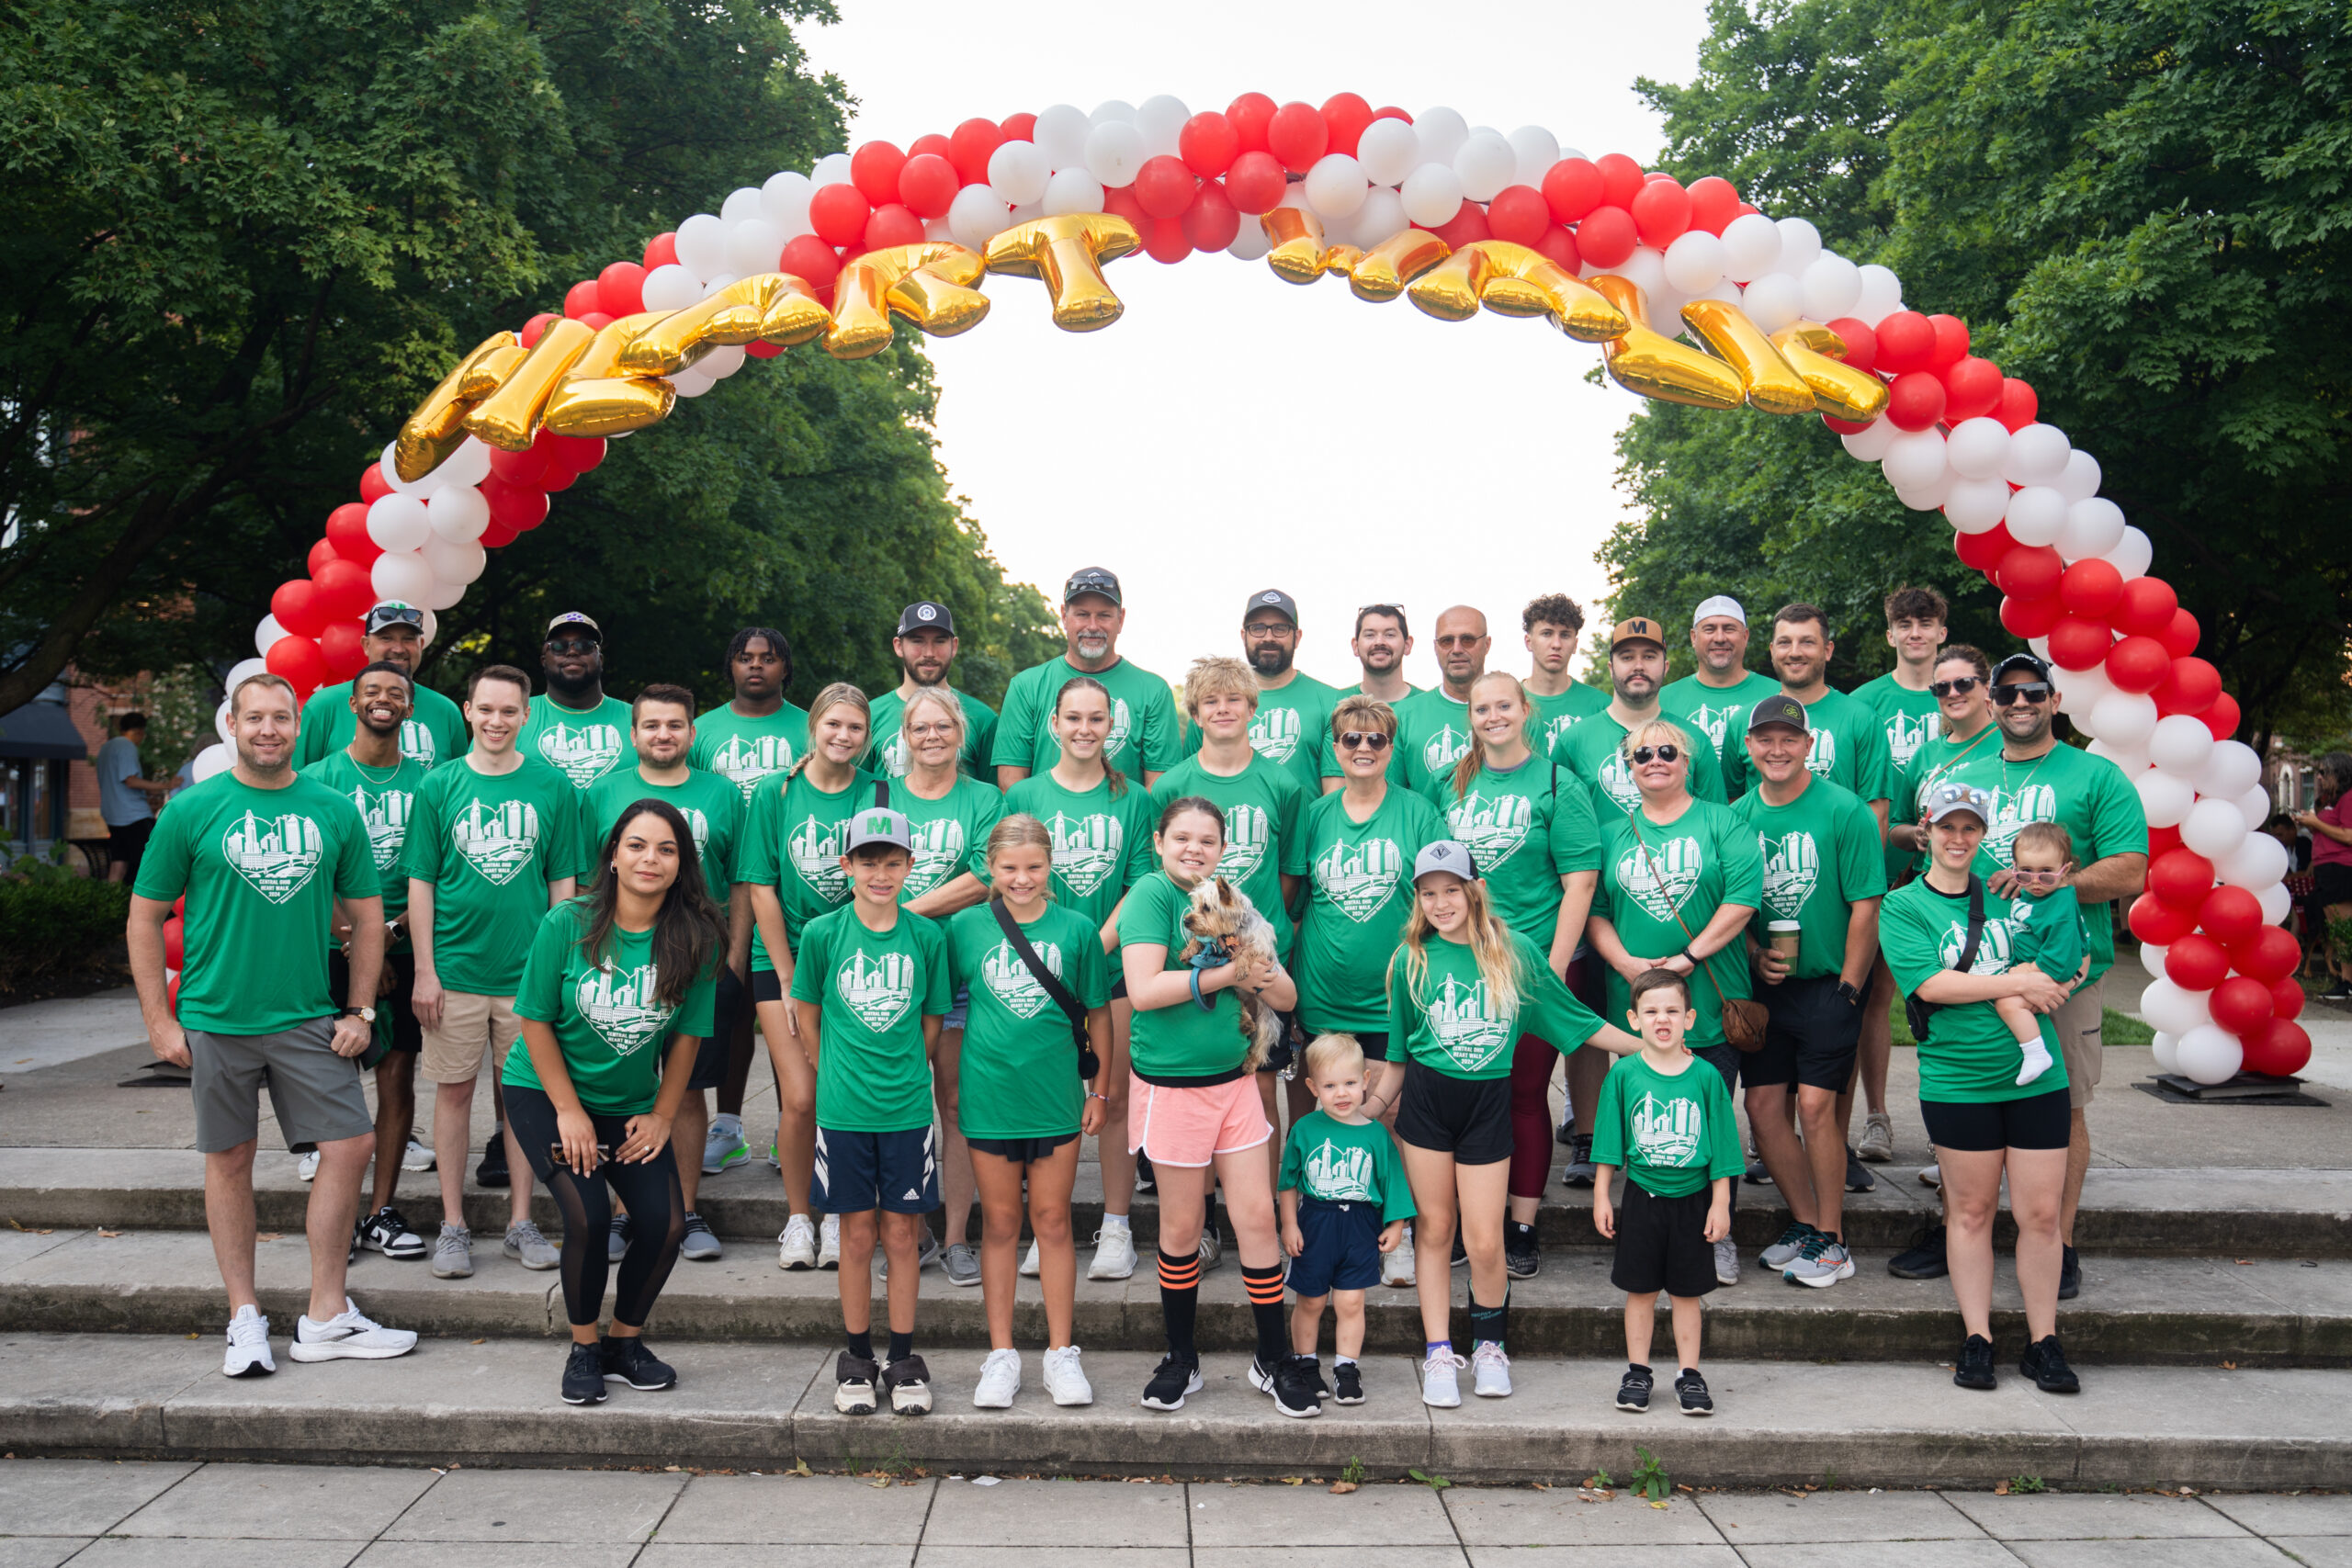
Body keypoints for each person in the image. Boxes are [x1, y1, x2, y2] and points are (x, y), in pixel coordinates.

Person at [126, 671, 418, 1376]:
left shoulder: (332, 808)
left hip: (305, 1018)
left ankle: (324, 1313)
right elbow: (143, 915)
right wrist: (159, 1022)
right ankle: (245, 1317)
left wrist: (361, 1008)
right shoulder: (191, 810)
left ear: (298, 724)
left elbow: (368, 916)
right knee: (229, 1160)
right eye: (254, 717)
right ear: (232, 723)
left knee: (349, 1146)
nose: (267, 729)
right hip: (216, 1018)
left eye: (280, 718)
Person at [1386, 839, 1642, 1408]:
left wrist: (1647, 1049)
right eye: (1429, 894)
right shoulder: (1411, 957)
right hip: (1426, 1104)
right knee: (1433, 1229)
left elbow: (1578, 1021)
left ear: (1475, 890)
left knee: (1483, 1239)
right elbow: (1400, 1055)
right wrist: (1366, 1105)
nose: (1441, 903)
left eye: (1451, 890)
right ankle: (1436, 1352)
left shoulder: (1515, 952)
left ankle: (1490, 1347)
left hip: (1485, 1106)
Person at [1941, 651, 2148, 1300]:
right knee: (1968, 1103)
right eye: (2007, 692)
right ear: (1989, 702)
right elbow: (1941, 856)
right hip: (1973, 968)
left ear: (2055, 700)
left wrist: (2048, 884)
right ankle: (1960, 1229)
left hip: (2064, 973)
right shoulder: (1964, 774)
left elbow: (2132, 869)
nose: (2020, 702)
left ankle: (2057, 1243)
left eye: (2034, 691)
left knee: (2063, 1108)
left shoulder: (2095, 775)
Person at [505, 800, 722, 1404]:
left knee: (667, 1223)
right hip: (544, 1090)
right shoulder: (568, 923)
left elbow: (686, 1039)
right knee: (590, 1215)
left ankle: (623, 1343)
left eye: (665, 848)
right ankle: (583, 1347)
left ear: (682, 865)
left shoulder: (695, 937)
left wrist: (660, 1115)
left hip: (628, 1102)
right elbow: (535, 1021)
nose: (649, 858)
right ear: (614, 855)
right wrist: (569, 1111)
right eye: (636, 845)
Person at [1881, 782, 2079, 1394]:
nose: (1958, 837)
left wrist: (2055, 982)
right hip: (1958, 1078)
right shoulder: (1904, 906)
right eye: (1947, 826)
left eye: (1970, 827)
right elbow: (1931, 984)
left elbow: (2070, 947)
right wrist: (2013, 980)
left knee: (2041, 1214)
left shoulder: (2011, 887)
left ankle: (2043, 1340)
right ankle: (1978, 1338)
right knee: (1969, 1211)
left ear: (1983, 833)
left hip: (2036, 1077)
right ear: (1927, 829)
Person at [1112, 795, 1298, 1414]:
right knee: (1182, 1227)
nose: (1193, 848)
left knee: (1257, 1219)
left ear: (1223, 849)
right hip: (1173, 1087)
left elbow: (1287, 994)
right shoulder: (1151, 894)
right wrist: (1230, 975)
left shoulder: (1233, 899)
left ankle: (1273, 1357)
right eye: (1181, 837)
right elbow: (1142, 991)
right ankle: (1181, 1357)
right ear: (1160, 842)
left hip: (1233, 1081)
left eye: (1207, 840)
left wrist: (1259, 971)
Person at [405, 664, 587, 1280]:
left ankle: (519, 1221)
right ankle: (453, 1224)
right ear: (467, 709)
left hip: (527, 978)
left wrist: (560, 970)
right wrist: (424, 970)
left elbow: (563, 886)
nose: (496, 720)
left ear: (526, 714)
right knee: (453, 1092)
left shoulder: (551, 785)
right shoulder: (440, 785)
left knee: (522, 1101)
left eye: (509, 711)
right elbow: (421, 883)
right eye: (486, 708)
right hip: (454, 971)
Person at [1428, 671, 1601, 1279]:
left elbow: (1580, 880)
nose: (1494, 715)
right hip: (1464, 963)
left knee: (1525, 1095)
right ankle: (1470, 1221)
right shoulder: (1448, 782)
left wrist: (1548, 970)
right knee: (1476, 1097)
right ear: (1469, 717)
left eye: (1504, 704)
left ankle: (1522, 1226)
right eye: (1482, 708)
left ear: (1525, 709)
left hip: (1535, 962)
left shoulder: (1558, 781)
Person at [1584, 718, 1763, 1287]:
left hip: (1708, 999)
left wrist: (1685, 959)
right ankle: (1646, 1229)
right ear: (1627, 766)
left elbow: (1742, 899)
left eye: (1667, 752)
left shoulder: (1723, 822)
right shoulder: (1613, 831)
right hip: (1638, 1005)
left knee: (1709, 1123)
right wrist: (1628, 966)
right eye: (1642, 754)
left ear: (1688, 762)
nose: (1654, 761)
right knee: (1649, 1122)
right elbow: (1597, 911)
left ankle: (1719, 1230)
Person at [1553, 619, 1728, 1185]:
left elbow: (1719, 819)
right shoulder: (1579, 737)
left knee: (1680, 1032)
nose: (1638, 665)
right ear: (1610, 665)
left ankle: (1682, 1153)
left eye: (1648, 655)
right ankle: (1588, 1133)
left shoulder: (1690, 736)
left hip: (1681, 891)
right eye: (1626, 655)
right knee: (1594, 1025)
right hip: (1602, 891)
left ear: (1664, 664)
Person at [790, 807, 951, 1416]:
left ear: (910, 866)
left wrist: (906, 1070)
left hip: (907, 1108)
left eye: (891, 861)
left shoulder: (927, 936)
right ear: (846, 865)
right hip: (844, 1111)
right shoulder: (823, 934)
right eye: (867, 861)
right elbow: (806, 1010)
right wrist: (826, 1063)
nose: (879, 872)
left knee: (903, 1233)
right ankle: (857, 1358)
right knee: (856, 1234)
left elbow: (931, 1022)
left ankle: (903, 1358)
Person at [947, 813, 1111, 1409]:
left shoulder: (1077, 929)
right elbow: (939, 1009)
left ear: (1051, 867)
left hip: (1056, 1100)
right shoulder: (964, 928)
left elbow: (1100, 1013)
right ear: (989, 868)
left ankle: (1061, 1353)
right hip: (990, 1098)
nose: (1022, 878)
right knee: (997, 1224)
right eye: (1010, 868)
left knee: (1055, 1219)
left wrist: (1101, 1091)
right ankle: (1001, 1354)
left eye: (1034, 867)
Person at [1287, 694, 1445, 1286]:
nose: (1363, 749)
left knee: (1386, 1120)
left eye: (1375, 739)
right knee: (1321, 1121)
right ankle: (1313, 1227)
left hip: (1392, 995)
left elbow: (1438, 903)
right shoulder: (1317, 814)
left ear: (1391, 746)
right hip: (1322, 994)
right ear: (1336, 747)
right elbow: (1298, 903)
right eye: (1351, 739)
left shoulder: (1419, 813)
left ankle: (1391, 1230)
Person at [586, 685, 748, 1264]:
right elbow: (589, 880)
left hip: (697, 959)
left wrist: (733, 960)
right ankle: (624, 1213)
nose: (663, 734)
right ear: (633, 734)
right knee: (624, 1085)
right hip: (618, 963)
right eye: (651, 725)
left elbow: (742, 881)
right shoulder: (603, 793)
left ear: (691, 734)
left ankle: (685, 1208)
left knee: (686, 1090)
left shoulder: (723, 794)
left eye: (674, 725)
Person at [1005, 676, 1159, 1280]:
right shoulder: (1026, 796)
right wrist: (1057, 950)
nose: (1086, 728)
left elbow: (1140, 885)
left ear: (1112, 725)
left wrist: (1092, 946)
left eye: (1098, 718)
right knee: (1054, 1103)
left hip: (1111, 964)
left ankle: (1117, 1226)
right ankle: (1052, 1224)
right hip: (1042, 973)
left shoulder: (1134, 798)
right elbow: (1010, 882)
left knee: (1112, 1098)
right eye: (1074, 717)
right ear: (1054, 724)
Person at [1734, 695, 1886, 1288]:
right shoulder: (1736, 815)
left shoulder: (1843, 810)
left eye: (1788, 740)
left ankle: (1835, 1239)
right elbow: (1733, 907)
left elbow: (1865, 905)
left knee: (1818, 1108)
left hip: (1829, 983)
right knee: (1764, 1108)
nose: (1777, 750)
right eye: (1765, 740)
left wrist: (1850, 987)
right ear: (1749, 748)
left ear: (1808, 746)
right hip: (1766, 991)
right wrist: (1752, 955)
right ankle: (1805, 1224)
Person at [1153, 658, 1310, 1181]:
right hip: (1192, 957)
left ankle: (1260, 1207)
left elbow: (1289, 874)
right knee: (1198, 1085)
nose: (1223, 709)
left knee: (1258, 1086)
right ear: (1195, 712)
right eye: (1211, 701)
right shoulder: (1172, 783)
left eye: (1233, 699)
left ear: (1252, 708)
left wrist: (1248, 932)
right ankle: (1207, 1220)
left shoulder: (1282, 783)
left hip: (1255, 955)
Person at [741, 683, 879, 1272]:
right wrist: (790, 976)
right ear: (813, 728)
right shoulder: (777, 791)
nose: (843, 737)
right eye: (833, 726)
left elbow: (878, 878)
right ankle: (800, 1218)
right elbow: (760, 884)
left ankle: (841, 1215)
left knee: (840, 1098)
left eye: (855, 728)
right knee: (800, 1097)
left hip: (851, 963)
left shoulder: (877, 792)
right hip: (780, 960)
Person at [301, 661, 431, 1260]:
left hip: (406, 946)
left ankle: (381, 1209)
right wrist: (360, 942)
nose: (384, 700)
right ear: (352, 702)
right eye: (372, 691)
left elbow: (434, 872)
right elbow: (312, 873)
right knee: (334, 1084)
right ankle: (343, 1215)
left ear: (409, 707)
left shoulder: (430, 783)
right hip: (331, 947)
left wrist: (389, 935)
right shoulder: (318, 779)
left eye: (396, 694)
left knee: (397, 1074)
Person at [892, 686, 1006, 1287]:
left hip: (960, 965)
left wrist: (909, 911)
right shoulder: (879, 796)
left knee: (956, 1104)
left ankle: (959, 1235)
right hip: (895, 974)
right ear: (904, 737)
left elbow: (987, 874)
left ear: (960, 734)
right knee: (903, 1106)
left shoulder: (984, 798)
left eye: (943, 726)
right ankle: (909, 1230)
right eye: (920, 727)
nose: (932, 735)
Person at [1591, 968, 1740, 1417]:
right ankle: (1638, 1371)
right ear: (1633, 1019)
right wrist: (1601, 1195)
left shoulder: (1707, 1077)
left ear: (1690, 1019)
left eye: (1672, 1010)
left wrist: (1720, 1202)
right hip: (1642, 1198)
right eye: (1651, 1010)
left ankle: (1689, 1374)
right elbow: (1608, 1142)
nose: (1662, 1019)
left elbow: (1725, 1148)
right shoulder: (1624, 1076)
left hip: (1694, 1201)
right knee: (1639, 1292)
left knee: (1686, 1294)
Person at [1876, 645, 2002, 1172]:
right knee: (1940, 1016)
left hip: (1994, 898)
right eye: (1940, 688)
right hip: (1934, 900)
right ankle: (1950, 1141)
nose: (1951, 694)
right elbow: (1899, 825)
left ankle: (1990, 1145)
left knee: (1998, 1018)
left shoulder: (2008, 743)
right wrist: (1922, 835)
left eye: (1963, 684)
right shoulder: (1926, 755)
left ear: (1987, 687)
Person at [689, 626, 808, 1178]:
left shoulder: (810, 726)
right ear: (730, 666)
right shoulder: (705, 730)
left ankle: (793, 1127)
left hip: (788, 884)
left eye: (768, 658)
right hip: (717, 886)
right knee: (731, 1006)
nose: (755, 666)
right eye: (744, 657)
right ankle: (728, 1125)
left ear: (785, 667)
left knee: (790, 1011)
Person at [1848, 587, 1952, 1162]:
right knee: (1874, 997)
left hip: (1951, 877)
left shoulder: (1962, 693)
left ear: (1941, 630)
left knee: (1945, 995)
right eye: (1904, 624)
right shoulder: (1865, 704)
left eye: (1926, 622)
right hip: (1883, 872)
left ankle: (1948, 1125)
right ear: (1889, 634)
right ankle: (1878, 1116)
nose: (1915, 632)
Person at [1275, 1032, 1412, 1416]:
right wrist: (1289, 1224)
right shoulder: (1304, 1129)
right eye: (1330, 1085)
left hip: (1360, 1226)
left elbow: (1393, 1182)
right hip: (1316, 1221)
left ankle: (1346, 1368)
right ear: (1312, 1086)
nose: (1341, 1093)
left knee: (1352, 1301)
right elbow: (1288, 1183)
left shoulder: (1374, 1134)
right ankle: (1305, 1363)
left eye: (1350, 1083)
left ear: (1366, 1080)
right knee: (1312, 1300)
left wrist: (1397, 1224)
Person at [994, 568, 1181, 791]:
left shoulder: (1153, 691)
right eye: (1082, 614)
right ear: (1064, 616)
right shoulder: (1026, 686)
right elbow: (1010, 783)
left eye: (1104, 615)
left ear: (1120, 620)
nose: (1093, 626)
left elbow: (1159, 790)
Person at [1722, 605, 1895, 835]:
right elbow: (1732, 807)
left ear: (1828, 650)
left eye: (1807, 642)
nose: (1795, 652)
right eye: (1785, 643)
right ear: (1772, 650)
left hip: (1837, 862)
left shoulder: (1862, 719)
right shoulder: (1744, 720)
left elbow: (1876, 814)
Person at [293, 602, 469, 771]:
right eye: (386, 638)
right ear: (366, 645)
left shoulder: (445, 711)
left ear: (421, 646)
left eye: (408, 639)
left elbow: (458, 788)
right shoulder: (324, 705)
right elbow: (298, 782)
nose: (398, 649)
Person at [865, 601, 1000, 779]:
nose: (929, 653)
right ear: (898, 646)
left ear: (954, 646)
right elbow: (857, 790)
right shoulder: (869, 715)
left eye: (939, 641)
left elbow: (992, 793)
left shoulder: (983, 718)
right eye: (917, 641)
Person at [1658, 597, 1782, 791]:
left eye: (1729, 628)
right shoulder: (1662, 700)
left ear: (1746, 636)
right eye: (1709, 629)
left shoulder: (1778, 696)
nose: (1719, 637)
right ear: (1693, 637)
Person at [1996, 822, 2086, 1085]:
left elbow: (2063, 955)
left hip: (2048, 972)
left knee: (2007, 1004)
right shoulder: (2038, 896)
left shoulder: (2060, 905)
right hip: (2034, 967)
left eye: (2046, 874)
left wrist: (2029, 971)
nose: (2035, 882)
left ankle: (2036, 1054)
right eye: (2025, 873)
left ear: (2065, 870)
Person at [1238, 589, 1340, 799]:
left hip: (1304, 831)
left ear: (1297, 636)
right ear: (1243, 635)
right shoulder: (1215, 704)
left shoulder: (1331, 702)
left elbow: (1334, 797)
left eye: (1280, 628)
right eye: (1257, 628)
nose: (1268, 637)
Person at [516, 612, 637, 791]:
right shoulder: (513, 715)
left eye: (585, 645)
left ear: (600, 659)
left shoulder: (638, 718)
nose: (572, 651)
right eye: (558, 646)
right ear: (544, 660)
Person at [1389, 604, 1490, 798]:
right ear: (1435, 647)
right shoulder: (1404, 714)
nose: (1457, 649)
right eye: (1446, 641)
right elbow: (1392, 796)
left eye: (1467, 640)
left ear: (1487, 644)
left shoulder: (1510, 713)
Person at [2292, 753, 2352, 1002]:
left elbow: (2348, 835)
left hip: (2341, 867)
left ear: (2339, 774)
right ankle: (2345, 979)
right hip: (2326, 867)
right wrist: (2312, 823)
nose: (2319, 777)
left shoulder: (2348, 798)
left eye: (2323, 773)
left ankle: (2348, 981)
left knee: (2343, 925)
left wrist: (2316, 821)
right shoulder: (2330, 800)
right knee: (2336, 926)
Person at [1522, 594, 1610, 755]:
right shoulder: (1506, 704)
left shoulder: (1601, 706)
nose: (1556, 644)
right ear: (1529, 642)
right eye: (1547, 633)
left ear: (1575, 645)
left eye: (1565, 635)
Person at [97, 711, 171, 884]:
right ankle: (143, 906)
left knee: (119, 862)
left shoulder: (106, 747)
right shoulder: (126, 746)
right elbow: (130, 780)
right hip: (133, 815)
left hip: (112, 814)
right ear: (140, 732)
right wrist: (165, 785)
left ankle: (111, 902)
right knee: (151, 861)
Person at [1347, 603, 1416, 708]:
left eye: (1390, 635)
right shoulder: (1336, 705)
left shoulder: (1429, 706)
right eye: (1370, 635)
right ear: (1355, 646)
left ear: (1407, 645)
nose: (1379, 642)